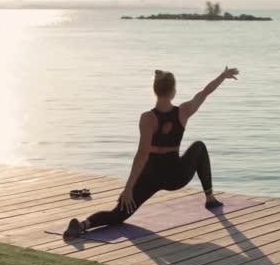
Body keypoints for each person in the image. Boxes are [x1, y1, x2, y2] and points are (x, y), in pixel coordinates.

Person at [63, 66, 239, 240]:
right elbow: (204, 93)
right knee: (199, 147)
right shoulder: (183, 112)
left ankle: (82, 225)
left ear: (155, 91)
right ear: (173, 91)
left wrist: (129, 188)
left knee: (118, 214)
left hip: (150, 176)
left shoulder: (147, 118)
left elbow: (142, 155)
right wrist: (223, 76)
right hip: (175, 176)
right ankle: (210, 197)